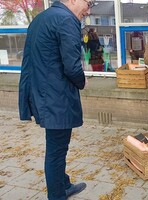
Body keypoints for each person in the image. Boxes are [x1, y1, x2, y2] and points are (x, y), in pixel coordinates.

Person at [18, 0, 92, 199]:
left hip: (42, 94)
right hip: (56, 98)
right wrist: (83, 81)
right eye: (89, 2)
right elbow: (72, 67)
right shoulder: (66, 20)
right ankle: (57, 195)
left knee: (57, 146)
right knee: (56, 151)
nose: (89, 9)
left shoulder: (40, 18)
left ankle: (63, 183)